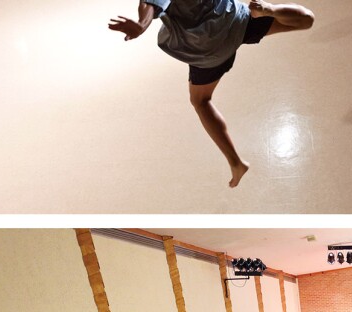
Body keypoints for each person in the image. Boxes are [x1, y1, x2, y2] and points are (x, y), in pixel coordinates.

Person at [108, 0, 315, 188]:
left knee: (201, 101)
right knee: (305, 19)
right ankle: (270, 9)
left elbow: (150, 8)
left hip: (206, 47)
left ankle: (236, 162)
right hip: (236, 21)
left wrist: (140, 26)